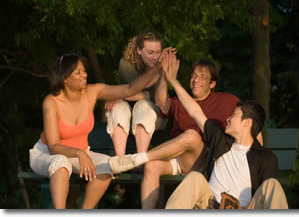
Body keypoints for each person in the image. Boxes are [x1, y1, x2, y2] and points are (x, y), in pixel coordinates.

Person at [108, 51, 241, 208]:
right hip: (179, 160)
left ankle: (137, 159)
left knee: (192, 135)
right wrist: (165, 75)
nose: (195, 80)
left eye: (203, 77)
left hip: (204, 161)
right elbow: (161, 101)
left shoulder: (225, 100)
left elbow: (249, 118)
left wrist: (255, 149)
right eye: (193, 76)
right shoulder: (179, 102)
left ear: (212, 84)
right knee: (151, 167)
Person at [29, 53, 162, 209]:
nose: (84, 75)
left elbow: (129, 89)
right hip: (47, 154)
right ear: (65, 79)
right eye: (77, 72)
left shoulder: (92, 92)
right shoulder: (51, 102)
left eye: (84, 70)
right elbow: (54, 146)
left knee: (107, 165)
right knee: (61, 162)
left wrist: (157, 67)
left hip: (80, 154)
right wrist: (80, 154)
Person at [160, 51, 288, 209]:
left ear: (246, 123)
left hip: (246, 209)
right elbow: (195, 111)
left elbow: (264, 199)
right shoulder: (219, 138)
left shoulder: (266, 157)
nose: (227, 118)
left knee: (272, 186)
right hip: (211, 204)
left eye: (233, 115)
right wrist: (172, 80)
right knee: (194, 178)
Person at [104, 30, 171, 155]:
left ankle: (140, 160)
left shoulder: (162, 66)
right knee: (117, 107)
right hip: (127, 116)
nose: (156, 57)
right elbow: (133, 88)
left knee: (143, 105)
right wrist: (134, 95)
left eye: (158, 52)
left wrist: (122, 95)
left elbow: (157, 99)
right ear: (139, 50)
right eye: (150, 52)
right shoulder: (126, 64)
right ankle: (121, 160)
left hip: (151, 117)